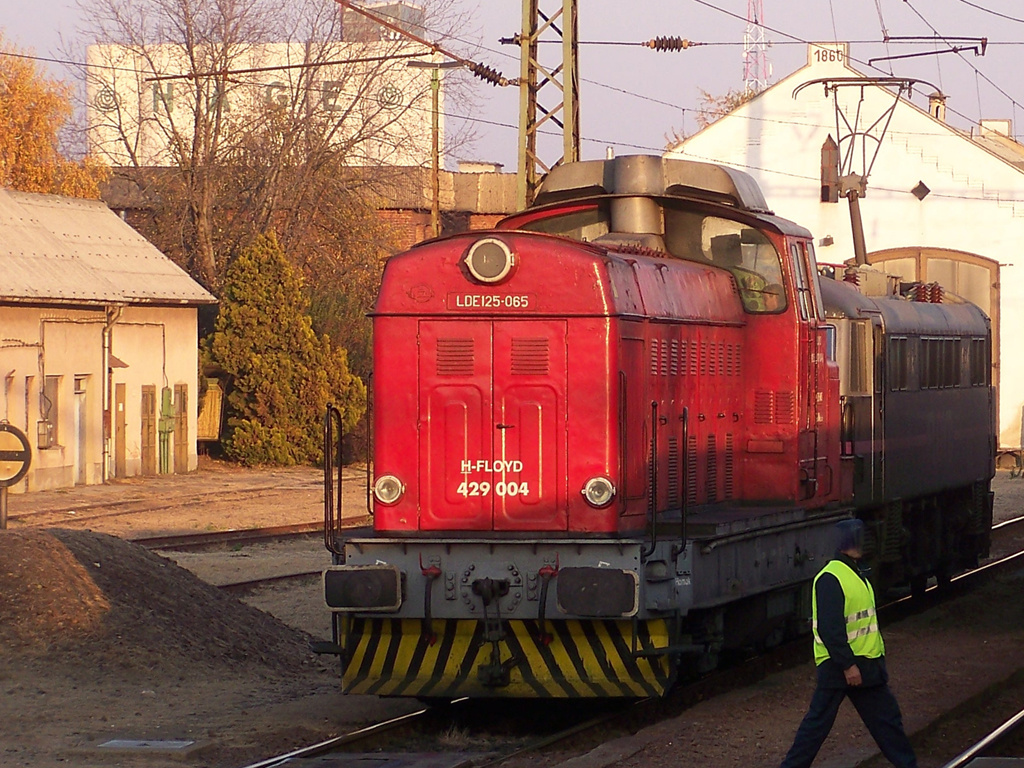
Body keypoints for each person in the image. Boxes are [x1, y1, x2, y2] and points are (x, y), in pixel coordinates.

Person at [778, 519, 918, 768]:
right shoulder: (831, 578)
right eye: (855, 540)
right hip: (842, 667)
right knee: (818, 728)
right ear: (844, 545)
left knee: (886, 723)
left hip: (865, 667)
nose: (860, 544)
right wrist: (847, 665)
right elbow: (830, 629)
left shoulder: (857, 573)